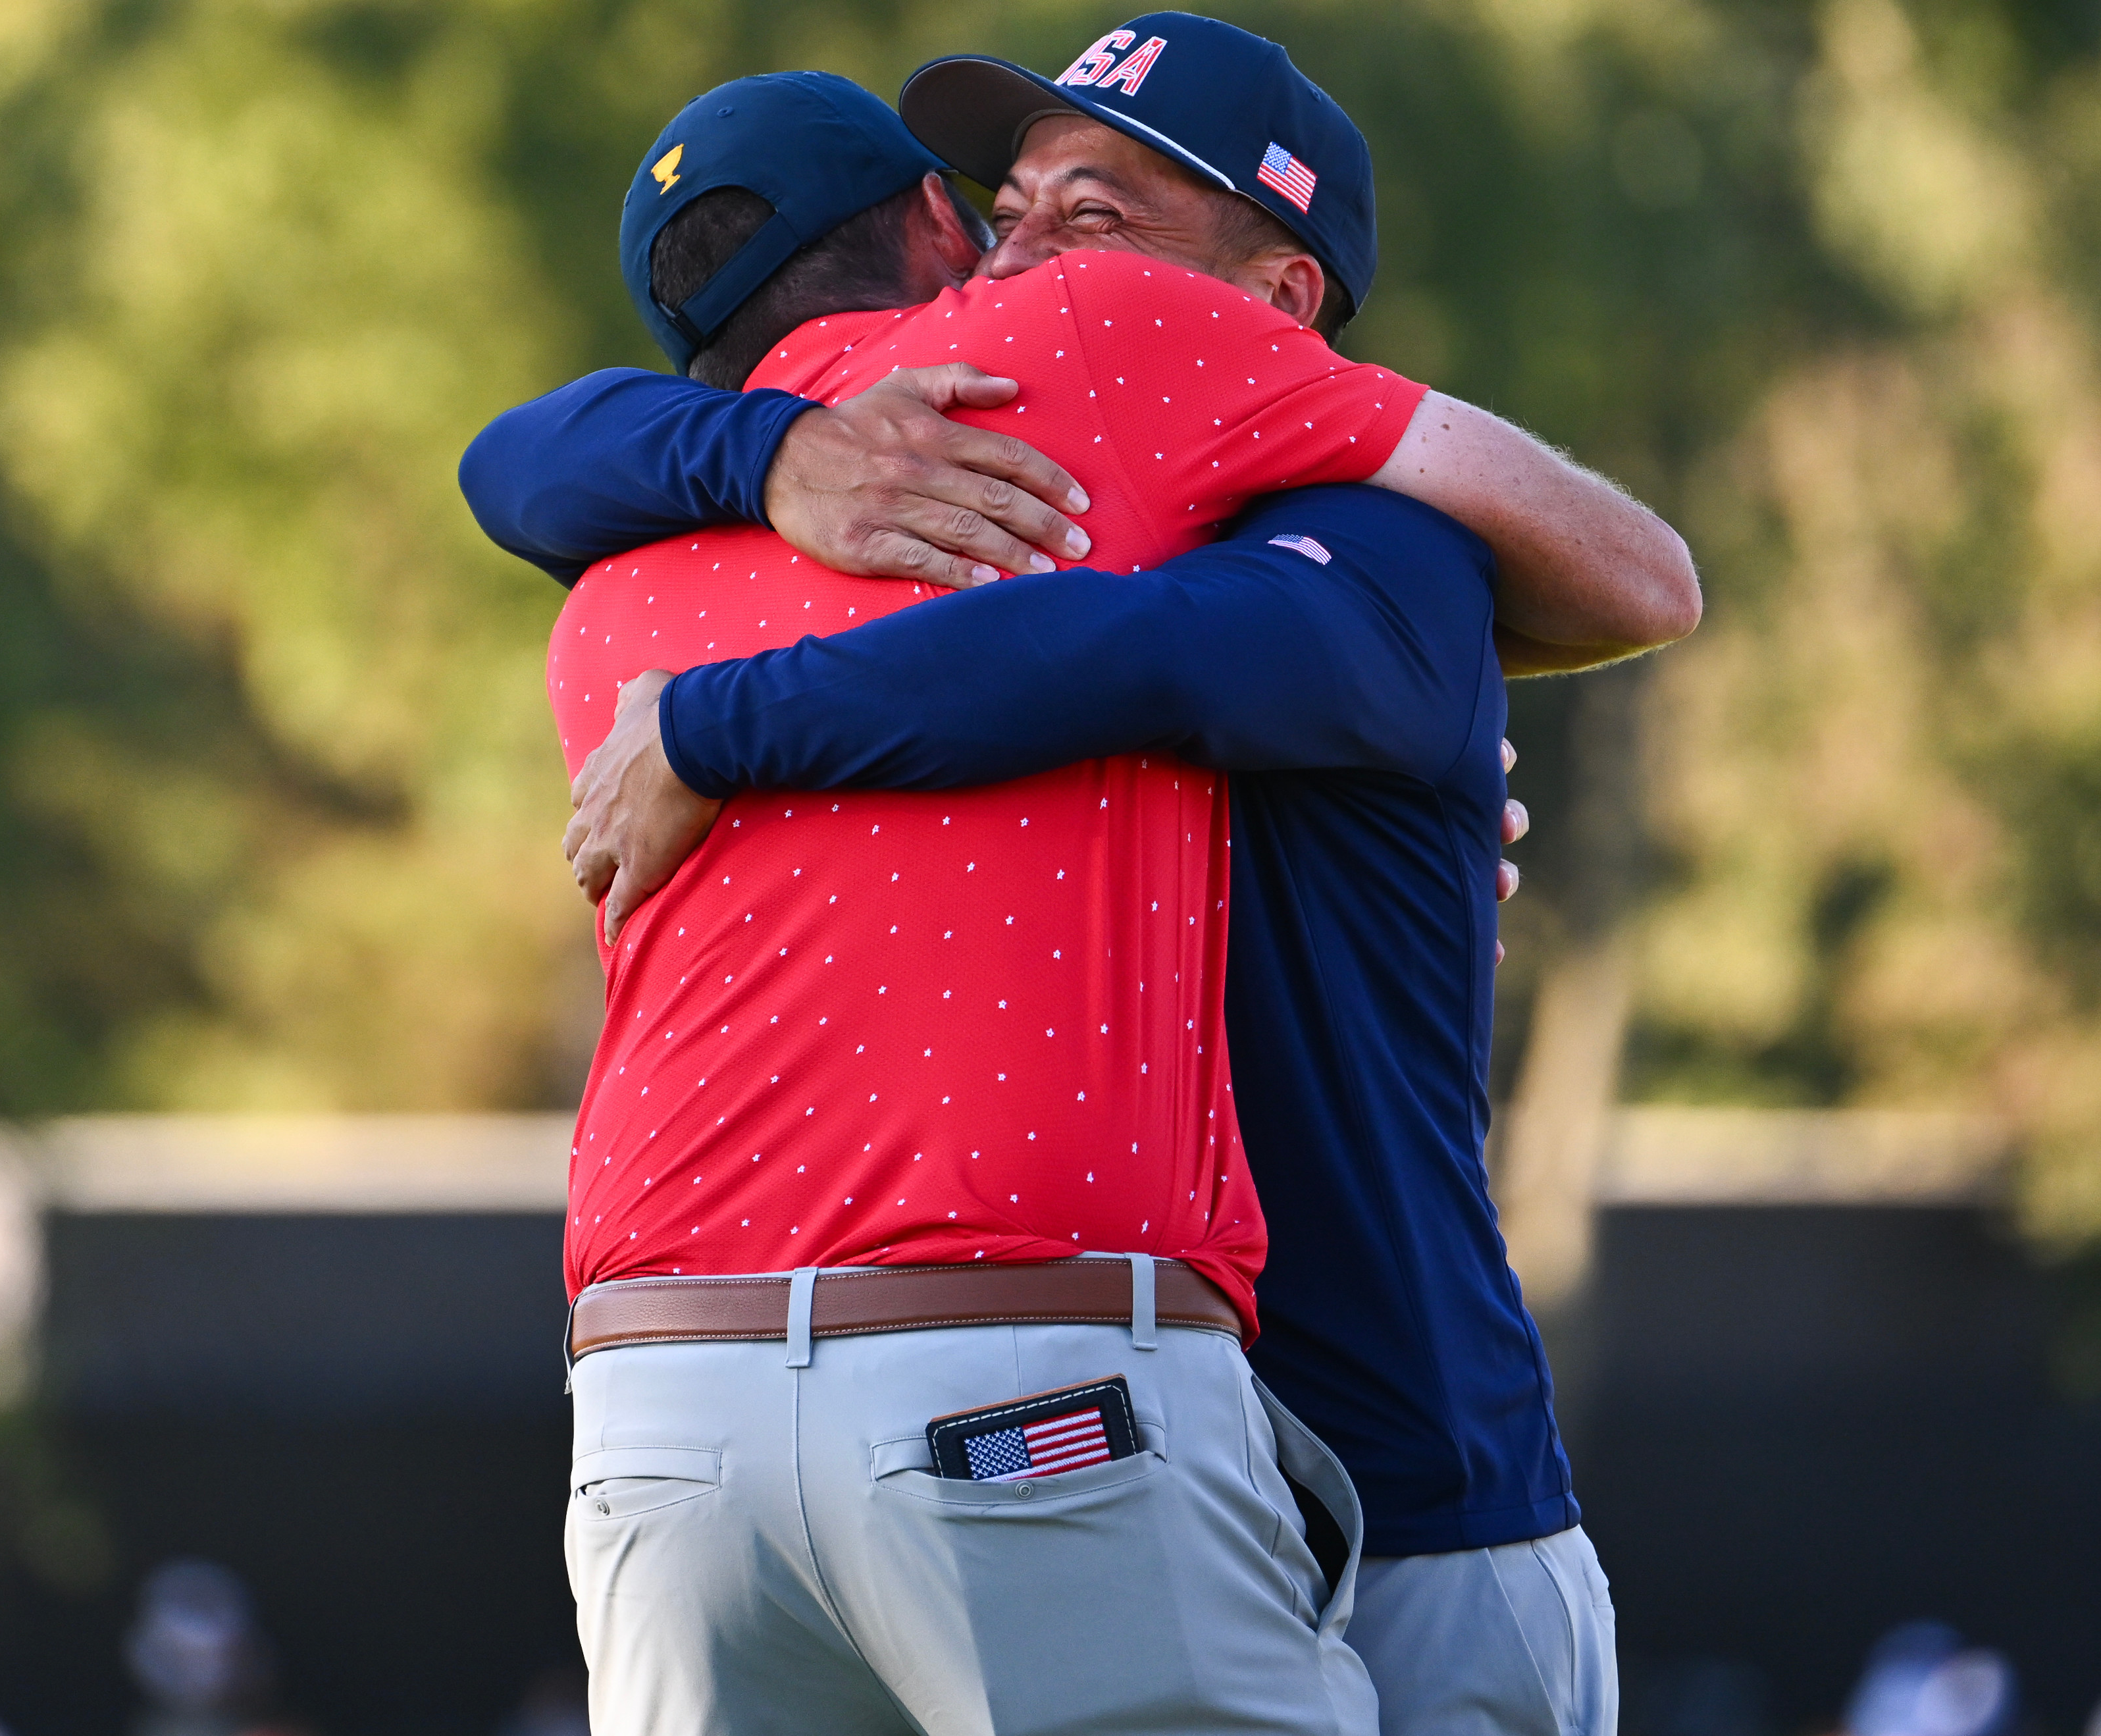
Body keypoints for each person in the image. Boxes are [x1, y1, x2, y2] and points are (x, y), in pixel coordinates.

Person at [471, 20, 1697, 1736]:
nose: (1025, 248)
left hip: (1415, 1492)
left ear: (1272, 297)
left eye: (1098, 213)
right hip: (1117, 1426)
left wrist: (713, 721)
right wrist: (759, 458)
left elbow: (1115, 656)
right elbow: (520, 454)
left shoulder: (1389, 557)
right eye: (1012, 201)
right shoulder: (977, 489)